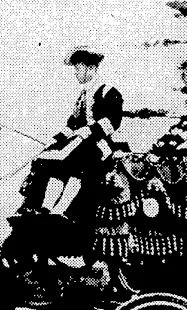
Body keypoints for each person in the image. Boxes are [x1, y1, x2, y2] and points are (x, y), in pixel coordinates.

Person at [20, 45, 124, 219]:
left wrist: (90, 130)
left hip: (100, 144)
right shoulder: (82, 97)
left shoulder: (108, 92)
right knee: (52, 161)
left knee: (76, 161)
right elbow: (72, 125)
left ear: (91, 68)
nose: (75, 73)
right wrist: (55, 139)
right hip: (78, 143)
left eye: (78, 68)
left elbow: (113, 121)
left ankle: (60, 210)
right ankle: (45, 208)